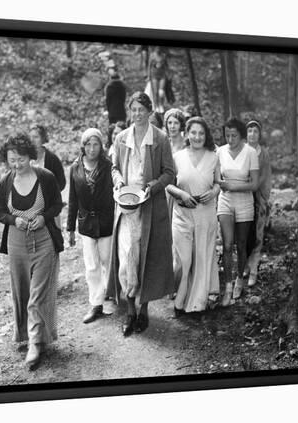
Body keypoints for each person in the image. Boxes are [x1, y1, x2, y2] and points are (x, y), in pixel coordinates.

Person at [107, 91, 176, 336]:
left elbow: (170, 173)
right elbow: (113, 167)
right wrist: (117, 182)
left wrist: (152, 186)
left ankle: (144, 308)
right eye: (133, 110)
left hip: (149, 207)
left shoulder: (160, 138)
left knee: (146, 256)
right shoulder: (121, 138)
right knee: (126, 258)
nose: (137, 114)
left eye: (141, 110)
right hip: (126, 206)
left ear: (149, 112)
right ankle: (129, 310)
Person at [0, 133, 64, 370]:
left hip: (44, 243)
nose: (16, 164)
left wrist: (44, 218)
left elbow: (56, 204)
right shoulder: (5, 182)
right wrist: (14, 220)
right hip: (16, 244)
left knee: (38, 293)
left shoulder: (45, 177)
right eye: (11, 160)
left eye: (20, 159)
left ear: (30, 157)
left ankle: (35, 343)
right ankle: (31, 336)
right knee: (21, 291)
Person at [166, 117, 220, 314]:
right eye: (193, 132)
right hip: (182, 212)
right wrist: (181, 194)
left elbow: (218, 183)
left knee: (201, 258)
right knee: (183, 260)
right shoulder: (178, 157)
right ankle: (179, 299)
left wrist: (214, 193)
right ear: (187, 134)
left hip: (205, 214)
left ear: (206, 136)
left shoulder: (213, 157)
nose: (197, 137)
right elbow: (168, 182)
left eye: (201, 133)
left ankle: (196, 304)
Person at [67, 128, 115, 324]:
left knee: (106, 260)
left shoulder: (108, 166)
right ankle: (96, 304)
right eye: (88, 144)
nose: (92, 149)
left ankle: (110, 292)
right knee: (91, 265)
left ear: (101, 146)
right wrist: (70, 228)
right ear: (83, 146)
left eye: (96, 144)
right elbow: (73, 199)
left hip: (105, 221)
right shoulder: (75, 167)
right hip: (86, 222)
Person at [217, 118, 259, 306]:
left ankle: (239, 280)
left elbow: (255, 183)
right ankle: (227, 286)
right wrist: (222, 184)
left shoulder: (250, 152)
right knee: (227, 245)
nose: (231, 139)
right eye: (227, 135)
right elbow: (217, 179)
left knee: (241, 244)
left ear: (241, 135)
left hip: (244, 204)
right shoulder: (220, 151)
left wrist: (233, 186)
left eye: (234, 135)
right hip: (225, 201)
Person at [244, 119, 272, 286]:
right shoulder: (242, 151)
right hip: (243, 198)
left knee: (257, 235)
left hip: (258, 197)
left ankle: (254, 269)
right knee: (244, 234)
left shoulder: (264, 154)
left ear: (259, 134)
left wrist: (261, 196)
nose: (252, 134)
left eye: (255, 131)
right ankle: (246, 265)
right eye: (249, 131)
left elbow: (265, 177)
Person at [29, 124, 66, 229]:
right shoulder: (25, 159)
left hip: (50, 205)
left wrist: (50, 193)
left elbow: (61, 182)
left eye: (36, 137)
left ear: (42, 139)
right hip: (30, 204)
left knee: (54, 235)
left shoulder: (52, 159)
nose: (33, 140)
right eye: (30, 137)